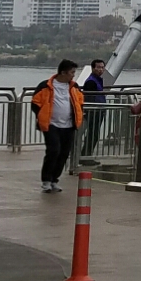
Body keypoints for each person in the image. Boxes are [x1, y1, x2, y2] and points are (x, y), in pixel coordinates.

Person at [32, 59, 84, 192]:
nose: (73, 75)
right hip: (51, 124)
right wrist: (42, 116)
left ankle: (54, 179)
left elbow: (80, 102)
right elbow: (35, 103)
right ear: (63, 72)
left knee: (64, 153)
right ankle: (46, 180)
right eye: (72, 72)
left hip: (68, 125)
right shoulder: (45, 86)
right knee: (53, 150)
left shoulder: (74, 87)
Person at [79, 60, 107, 161]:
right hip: (94, 111)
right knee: (92, 134)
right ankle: (85, 156)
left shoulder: (97, 80)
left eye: (102, 67)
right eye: (98, 67)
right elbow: (89, 97)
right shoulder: (91, 81)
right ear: (93, 68)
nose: (100, 70)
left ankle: (86, 155)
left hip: (97, 110)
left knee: (93, 134)